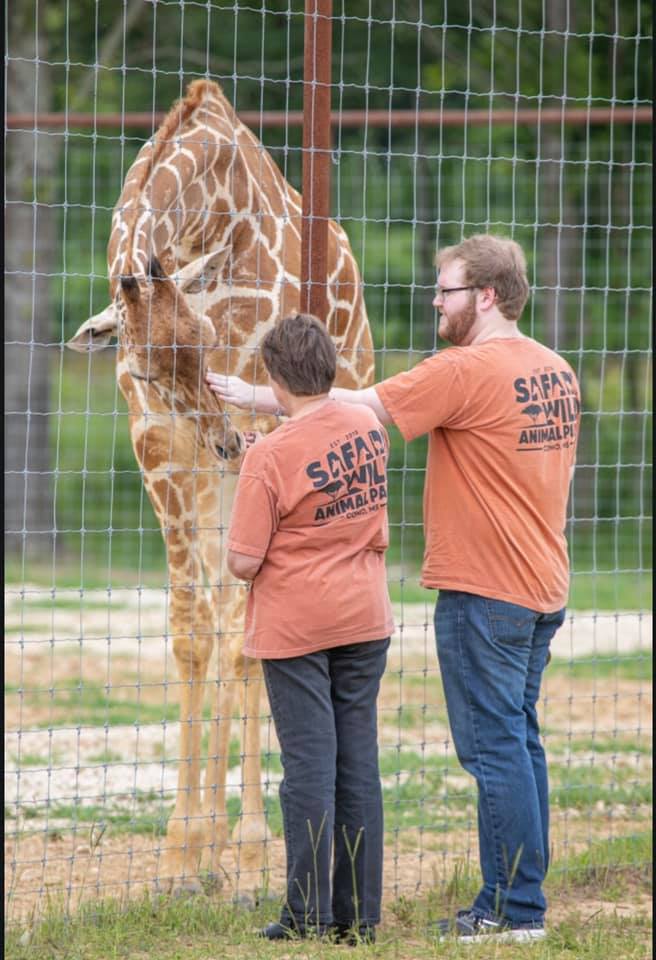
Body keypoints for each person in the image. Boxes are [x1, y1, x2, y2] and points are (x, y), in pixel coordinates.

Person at [208, 234, 581, 944]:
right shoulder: (554, 370)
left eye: (446, 290)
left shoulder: (464, 370)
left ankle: (510, 909)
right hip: (545, 583)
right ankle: (522, 894)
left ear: (487, 296)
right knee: (522, 741)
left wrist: (265, 397)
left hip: (485, 588)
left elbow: (356, 406)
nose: (435, 302)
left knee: (493, 748)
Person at [215, 313, 394, 943]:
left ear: (273, 377)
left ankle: (307, 913)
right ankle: (358, 915)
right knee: (358, 764)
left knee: (310, 769)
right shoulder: (368, 427)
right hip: (366, 616)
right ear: (330, 367)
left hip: (298, 628)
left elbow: (241, 559)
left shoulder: (270, 455)